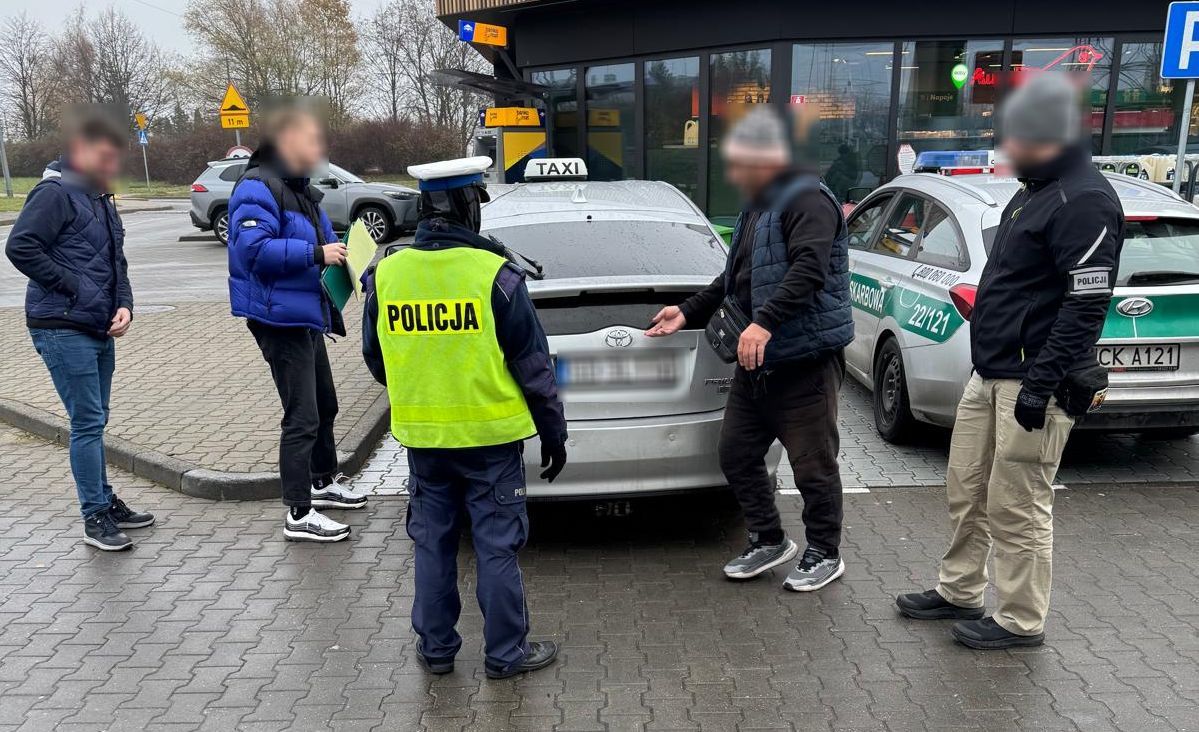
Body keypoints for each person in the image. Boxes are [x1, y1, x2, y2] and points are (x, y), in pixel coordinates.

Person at [896, 72, 1123, 650]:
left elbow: (1085, 306)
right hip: (991, 372)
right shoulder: (1035, 190)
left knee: (1018, 504)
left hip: (1033, 382)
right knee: (967, 488)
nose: (1006, 149)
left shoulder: (1084, 200)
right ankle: (959, 590)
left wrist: (1040, 385)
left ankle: (1020, 619)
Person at [361, 156, 568, 680]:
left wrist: (423, 384)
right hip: (490, 442)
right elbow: (534, 368)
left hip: (424, 442)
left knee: (432, 544)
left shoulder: (387, 274)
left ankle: (436, 651)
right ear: (466, 206)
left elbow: (376, 359)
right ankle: (505, 654)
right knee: (497, 547)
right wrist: (554, 433)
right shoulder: (496, 276)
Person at [645, 107, 853, 592]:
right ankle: (769, 538)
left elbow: (809, 269)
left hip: (803, 363)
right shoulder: (759, 205)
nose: (735, 174)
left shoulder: (808, 200)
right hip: (755, 364)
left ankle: (825, 552)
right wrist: (686, 312)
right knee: (736, 453)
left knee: (813, 466)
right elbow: (733, 279)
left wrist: (764, 323)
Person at [5, 106, 154, 551]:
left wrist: (124, 304)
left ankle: (105, 501)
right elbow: (21, 247)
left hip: (97, 325)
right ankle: (95, 517)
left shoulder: (99, 195)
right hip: (61, 325)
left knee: (96, 418)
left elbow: (115, 262)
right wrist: (74, 288)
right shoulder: (55, 193)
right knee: (87, 422)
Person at [227, 101, 368, 543]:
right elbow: (253, 251)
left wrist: (348, 250)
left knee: (325, 404)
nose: (319, 151)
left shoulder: (299, 188)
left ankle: (323, 481)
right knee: (302, 415)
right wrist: (316, 253)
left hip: (304, 312)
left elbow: (325, 238)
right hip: (277, 318)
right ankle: (299, 511)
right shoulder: (256, 187)